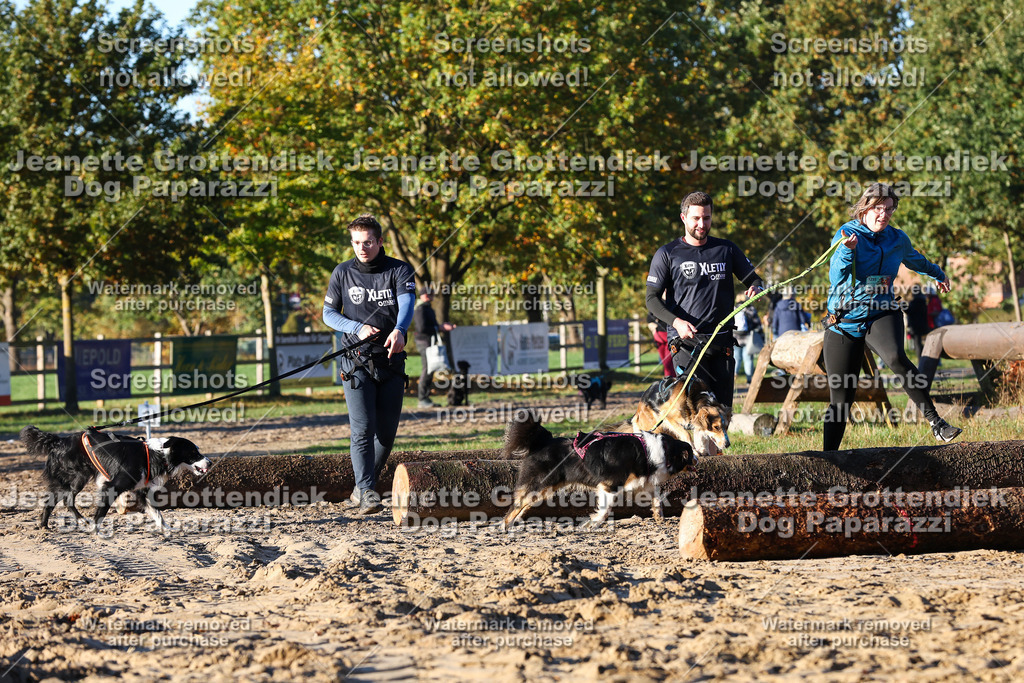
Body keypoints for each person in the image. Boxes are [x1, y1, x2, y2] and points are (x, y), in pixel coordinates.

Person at [822, 183, 961, 450]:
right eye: (878, 208)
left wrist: (938, 273)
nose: (883, 215)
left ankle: (937, 424)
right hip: (844, 320)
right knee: (841, 397)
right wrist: (846, 251)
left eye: (889, 209)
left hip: (882, 312)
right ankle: (829, 458)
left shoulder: (897, 238)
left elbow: (915, 260)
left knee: (897, 357)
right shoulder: (847, 234)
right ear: (865, 208)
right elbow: (836, 277)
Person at [322, 214, 416, 514]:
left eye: (367, 242)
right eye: (356, 242)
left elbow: (407, 304)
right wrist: (355, 327)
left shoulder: (399, 270)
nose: (361, 248)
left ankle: (361, 487)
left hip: (391, 362)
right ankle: (366, 491)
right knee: (362, 429)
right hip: (355, 362)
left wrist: (400, 329)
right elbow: (328, 313)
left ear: (380, 241)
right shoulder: (342, 272)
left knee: (386, 435)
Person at [646, 191, 764, 408]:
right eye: (696, 218)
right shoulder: (667, 253)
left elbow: (754, 278)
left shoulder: (726, 249)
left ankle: (715, 444)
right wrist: (676, 323)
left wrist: (756, 288)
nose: (702, 223)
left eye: (707, 218)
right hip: (686, 343)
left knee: (722, 411)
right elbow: (651, 299)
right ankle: (695, 444)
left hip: (722, 340)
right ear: (683, 218)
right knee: (699, 411)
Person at [413, 288, 455, 408]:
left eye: (431, 294)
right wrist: (440, 328)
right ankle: (422, 398)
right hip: (424, 342)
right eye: (427, 294)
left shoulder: (428, 308)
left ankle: (425, 397)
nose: (430, 296)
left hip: (428, 341)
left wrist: (439, 326)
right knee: (427, 369)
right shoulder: (421, 309)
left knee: (429, 369)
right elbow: (422, 328)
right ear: (422, 295)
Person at [733, 295, 764, 383]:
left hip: (735, 337)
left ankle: (734, 375)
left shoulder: (734, 308)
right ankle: (749, 379)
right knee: (748, 359)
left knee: (736, 358)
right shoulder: (750, 309)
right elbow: (757, 324)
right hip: (748, 338)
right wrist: (761, 336)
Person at [647, 312, 676, 378]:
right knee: (665, 363)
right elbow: (649, 319)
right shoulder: (657, 305)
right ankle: (668, 379)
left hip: (669, 338)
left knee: (668, 363)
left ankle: (670, 379)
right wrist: (654, 332)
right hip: (659, 339)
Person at [905, 288, 929, 360]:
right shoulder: (924, 302)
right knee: (921, 343)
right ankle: (925, 358)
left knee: (917, 344)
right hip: (923, 324)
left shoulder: (913, 302)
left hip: (915, 325)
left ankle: (921, 360)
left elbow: (910, 312)